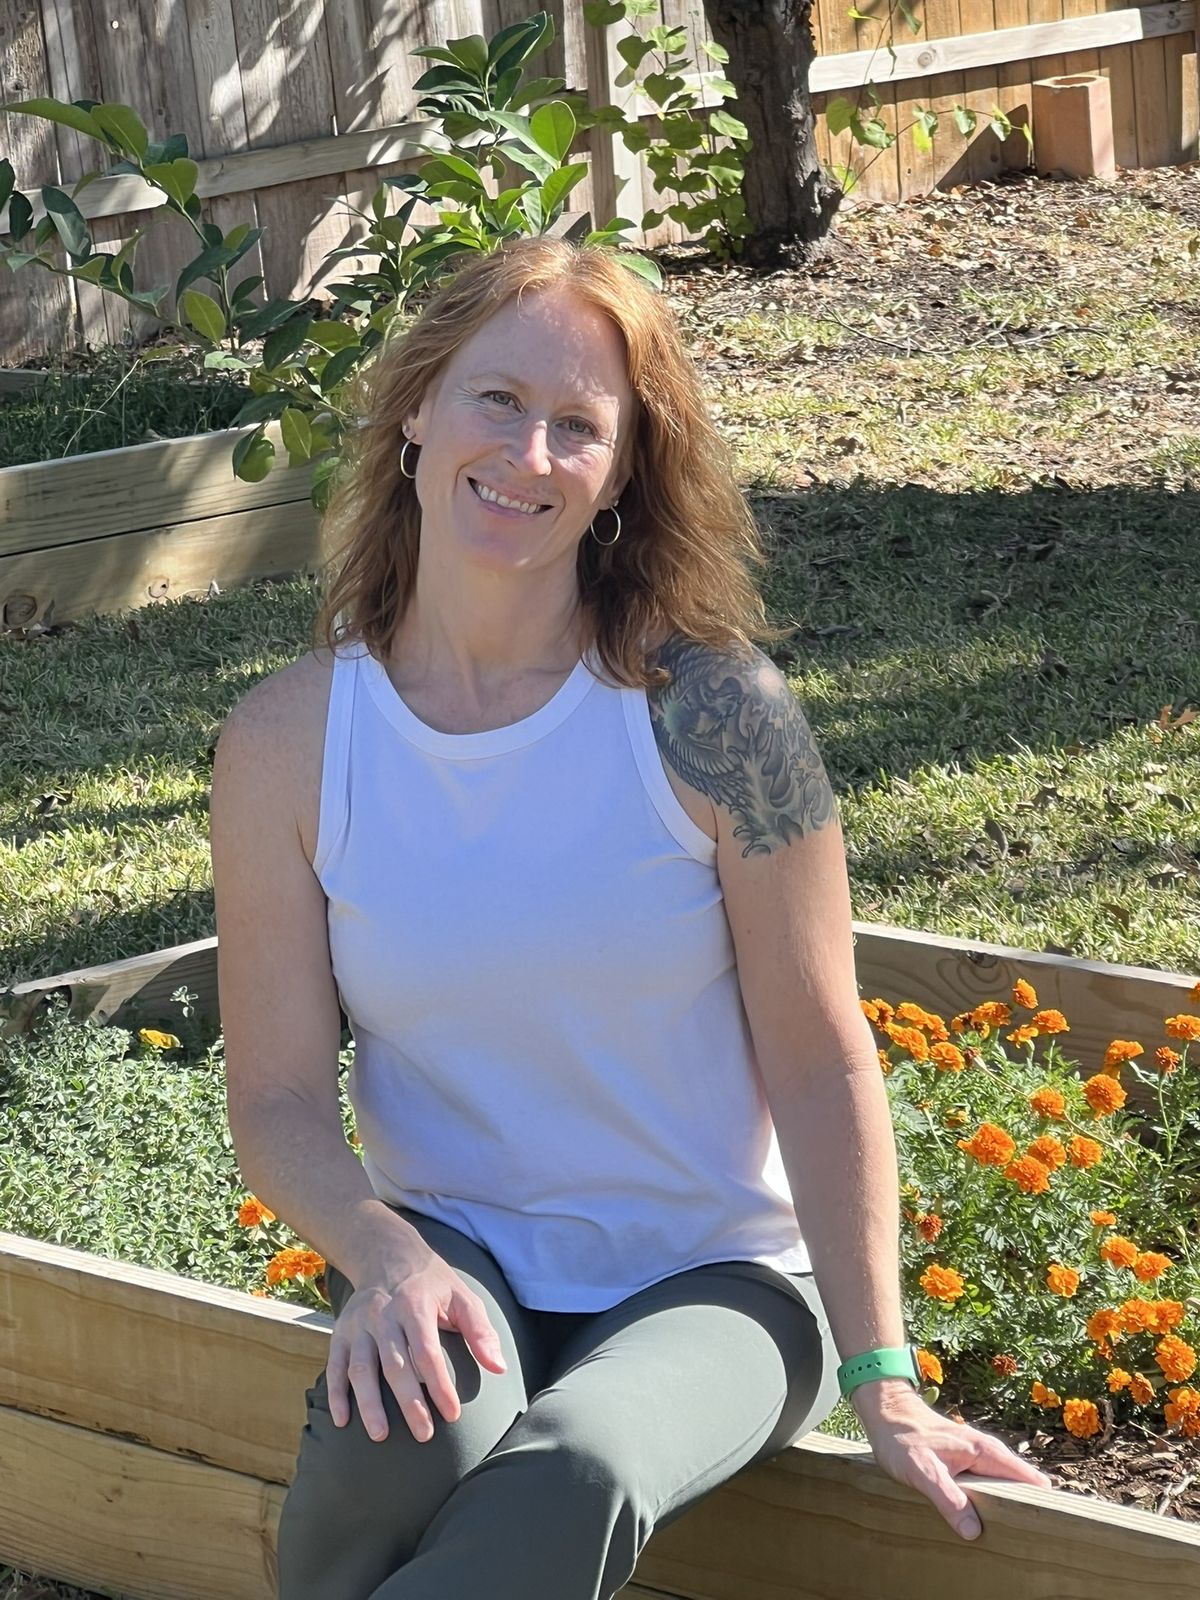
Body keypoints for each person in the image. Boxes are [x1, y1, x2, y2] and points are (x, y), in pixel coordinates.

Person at [209, 236, 1051, 1600]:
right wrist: (385, 1258)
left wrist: (884, 1377)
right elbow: (279, 1098)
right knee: (389, 1442)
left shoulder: (714, 717)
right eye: (498, 400)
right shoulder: (288, 745)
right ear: (416, 408)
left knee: (583, 1466)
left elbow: (822, 1057)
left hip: (720, 1278)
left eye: (579, 426)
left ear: (618, 476)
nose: (529, 453)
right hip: (457, 1248)